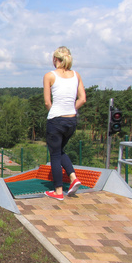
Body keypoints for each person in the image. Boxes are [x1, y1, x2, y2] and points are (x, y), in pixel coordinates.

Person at [43, 46, 86, 200]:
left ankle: (58, 191)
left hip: (56, 120)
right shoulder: (76, 75)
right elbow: (83, 99)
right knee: (60, 150)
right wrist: (70, 109)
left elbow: (47, 102)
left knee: (54, 154)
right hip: (71, 120)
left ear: (55, 59)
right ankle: (74, 178)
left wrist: (54, 112)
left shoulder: (50, 75)